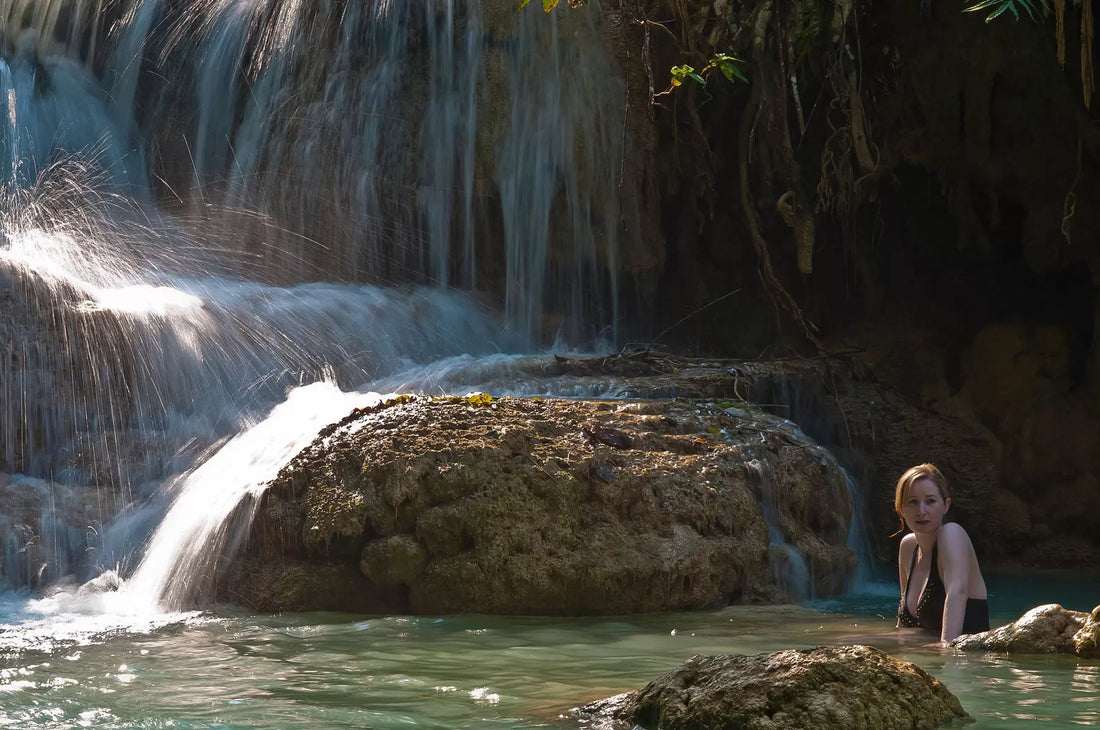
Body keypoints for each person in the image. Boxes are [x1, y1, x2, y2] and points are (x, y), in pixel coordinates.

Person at [894, 463, 989, 645]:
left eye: (930, 501)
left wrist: (945, 658)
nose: (922, 511)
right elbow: (904, 627)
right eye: (912, 502)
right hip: (925, 661)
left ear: (946, 505)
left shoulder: (952, 533)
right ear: (901, 510)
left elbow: (957, 593)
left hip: (965, 665)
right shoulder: (908, 546)